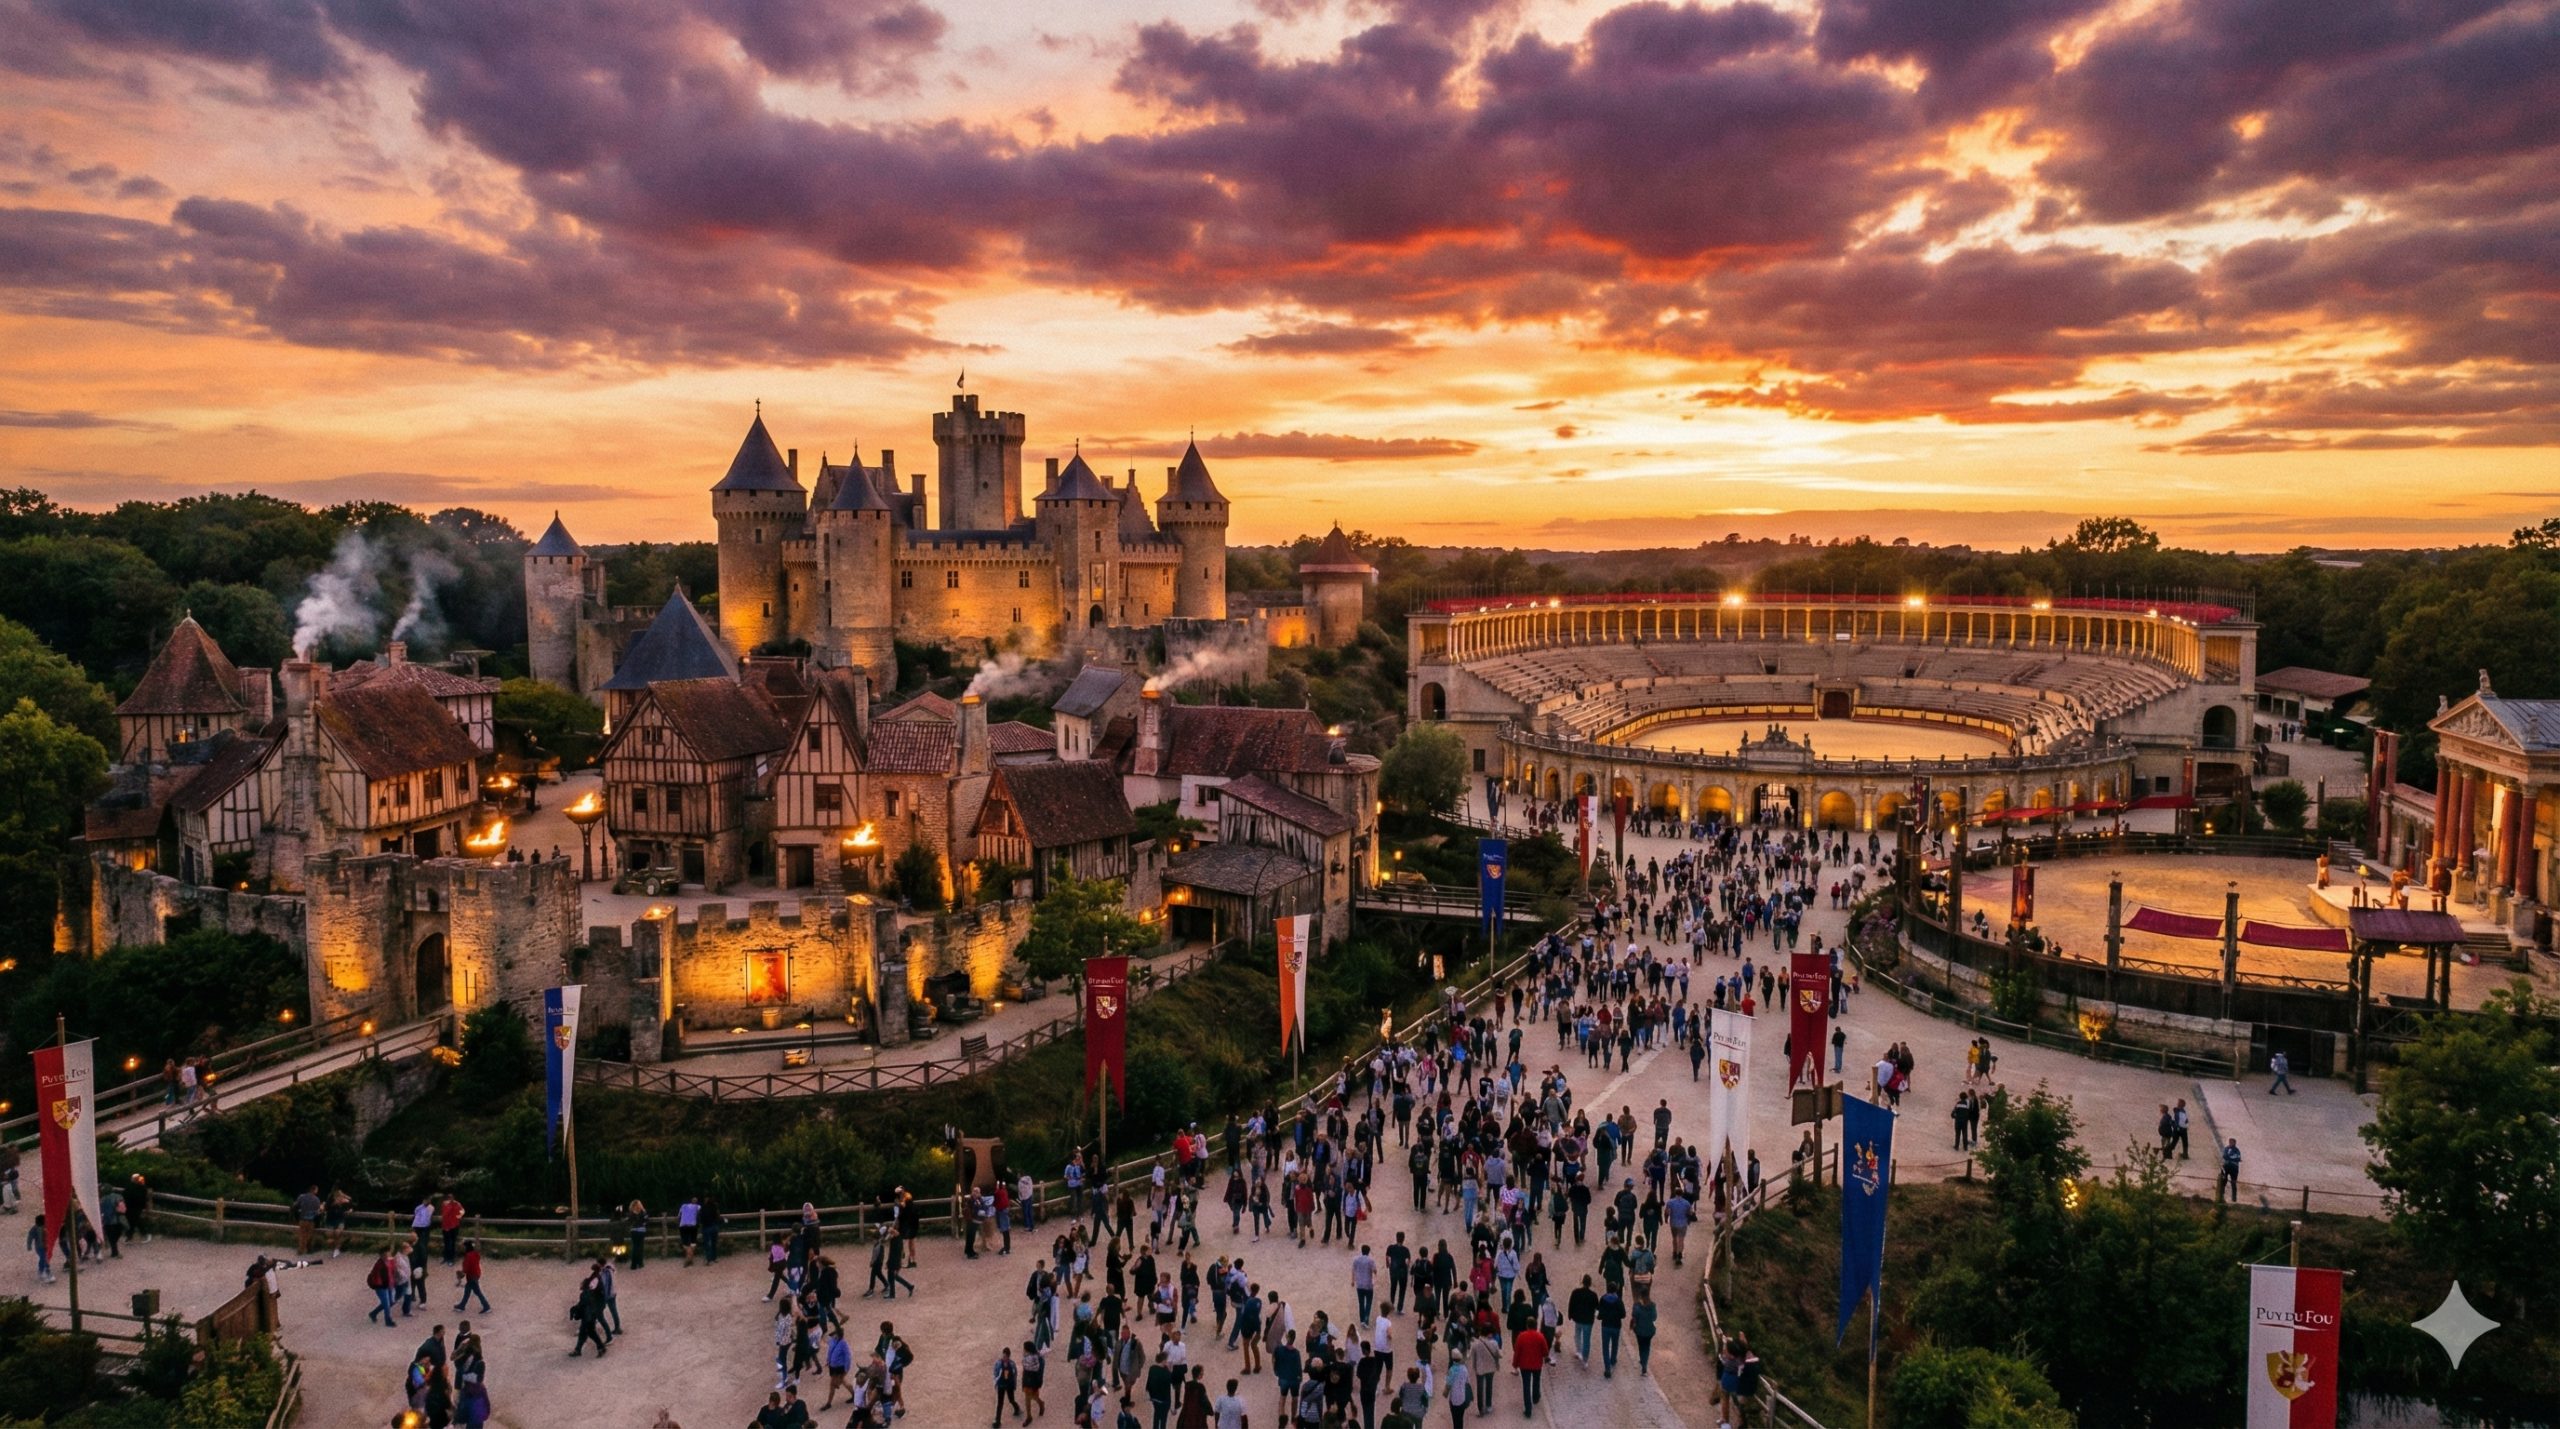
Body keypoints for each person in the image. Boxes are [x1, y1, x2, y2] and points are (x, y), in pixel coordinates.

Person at [1512, 1321, 1547, 1415]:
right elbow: (1545, 1352)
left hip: (1525, 1365)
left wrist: (1515, 1364)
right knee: (1536, 1381)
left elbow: (1517, 1352)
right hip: (1537, 1364)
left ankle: (1528, 1410)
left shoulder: (1521, 1336)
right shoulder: (1540, 1336)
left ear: (1527, 1326)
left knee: (1526, 1386)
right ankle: (1535, 1397)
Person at [453, 1240, 490, 1312]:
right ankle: (462, 1305)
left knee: (476, 1292)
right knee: (469, 1291)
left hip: (472, 1276)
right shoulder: (475, 1254)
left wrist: (462, 1273)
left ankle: (486, 1306)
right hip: (477, 1274)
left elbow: (466, 1268)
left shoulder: (468, 1256)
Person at [996, 1347, 1023, 1426]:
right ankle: (998, 1421)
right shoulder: (999, 1363)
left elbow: (1015, 1375)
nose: (1003, 1358)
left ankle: (1017, 1408)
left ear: (1008, 1356)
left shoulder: (1012, 1364)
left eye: (1005, 1356)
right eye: (1003, 1356)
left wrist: (1014, 1385)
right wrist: (996, 1383)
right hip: (1001, 1385)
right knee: (1000, 1403)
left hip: (1009, 1385)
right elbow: (996, 1373)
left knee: (1011, 1400)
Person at [1630, 1298, 1657, 1376]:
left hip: (1639, 1330)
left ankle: (1642, 1360)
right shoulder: (1652, 1305)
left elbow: (1634, 1314)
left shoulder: (1637, 1305)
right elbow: (1655, 1318)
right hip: (1649, 1330)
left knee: (1641, 1346)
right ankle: (1644, 1363)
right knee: (1647, 1346)